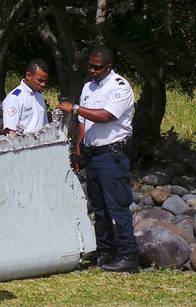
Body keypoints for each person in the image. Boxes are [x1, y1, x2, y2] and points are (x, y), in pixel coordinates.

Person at [57, 46, 139, 273]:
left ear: (109, 66)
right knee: (99, 207)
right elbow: (84, 124)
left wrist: (74, 108)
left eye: (97, 67)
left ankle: (128, 255)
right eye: (90, 66)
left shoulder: (119, 87)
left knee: (117, 206)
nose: (92, 70)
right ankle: (105, 252)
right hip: (93, 153)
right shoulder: (88, 87)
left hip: (112, 154)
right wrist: (79, 150)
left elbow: (105, 116)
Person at [2, 58, 49, 135]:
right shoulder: (15, 98)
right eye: (40, 80)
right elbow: (11, 132)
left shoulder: (40, 96)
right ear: (28, 76)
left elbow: (45, 125)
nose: (43, 84)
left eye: (45, 81)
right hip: (24, 144)